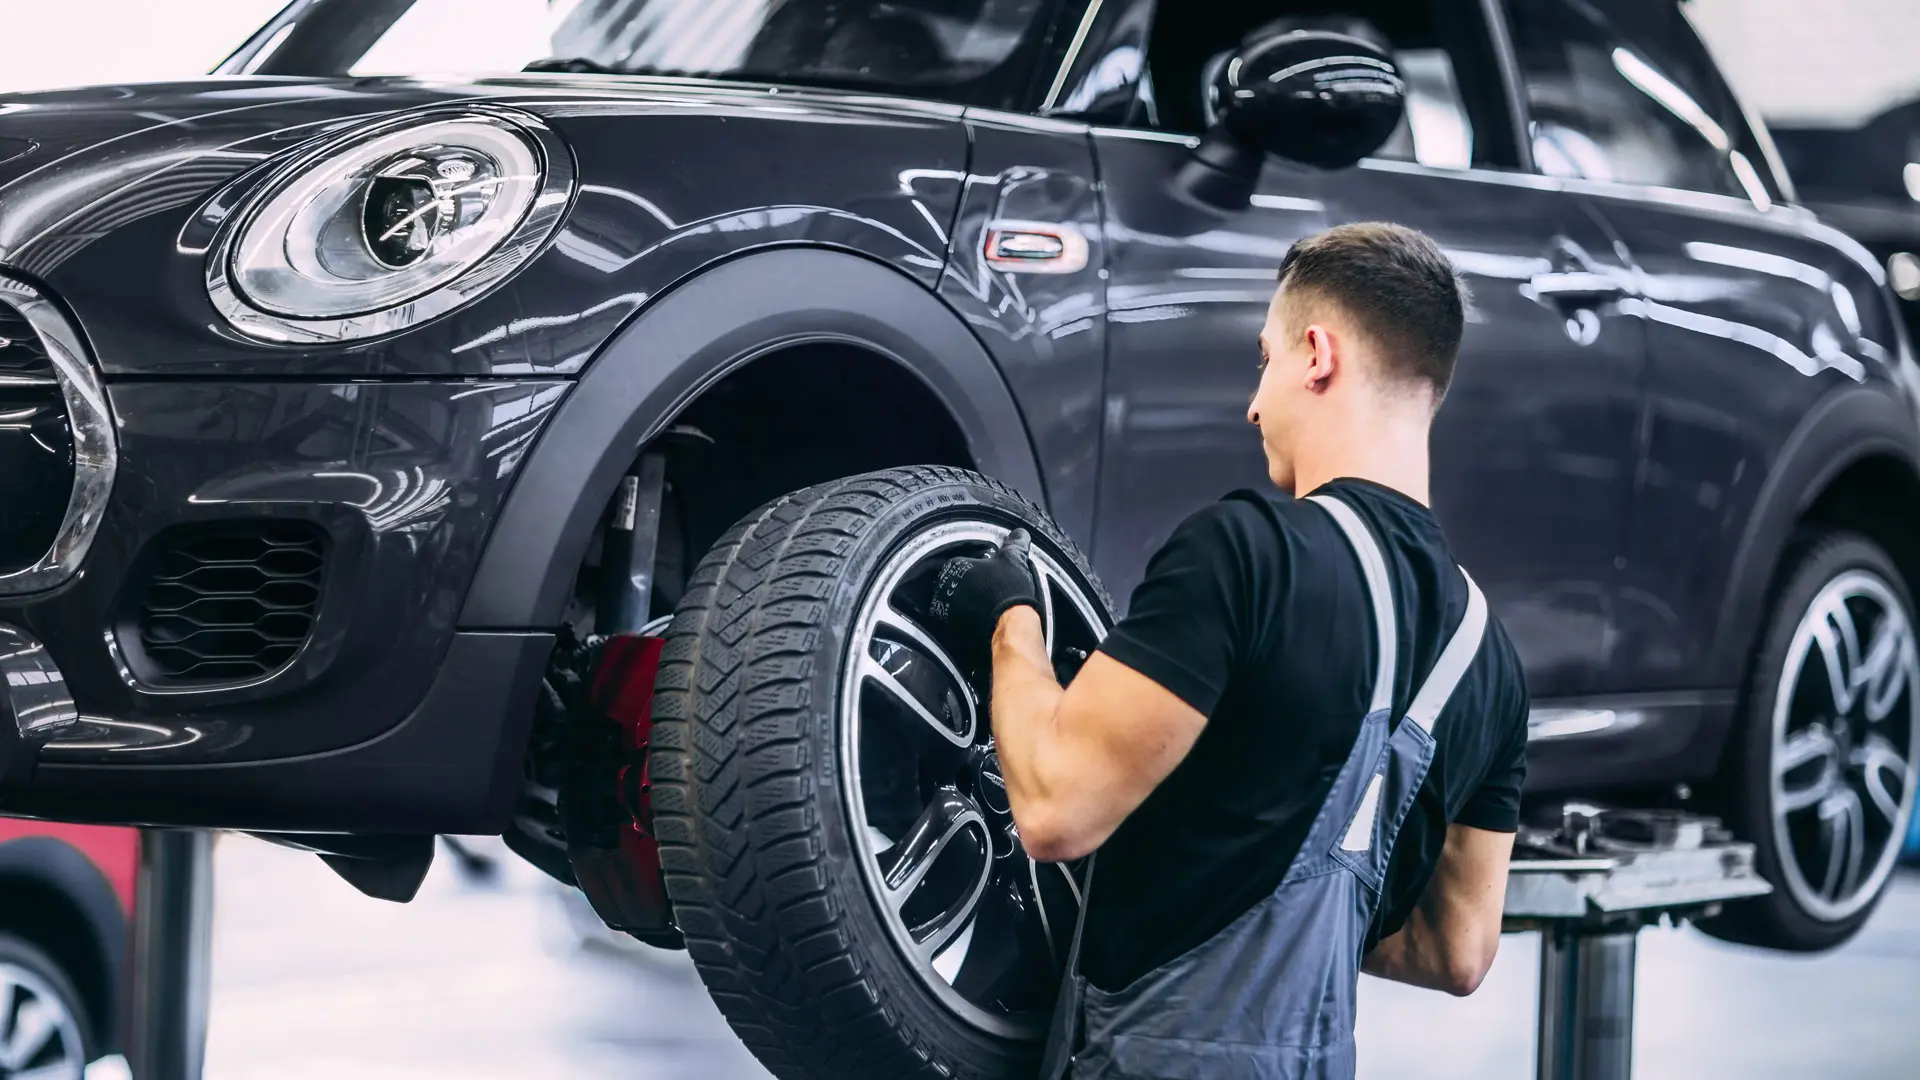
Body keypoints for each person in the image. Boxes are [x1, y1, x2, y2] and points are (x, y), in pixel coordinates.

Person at [924, 222, 1531, 1080]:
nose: (1253, 404)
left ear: (1317, 355)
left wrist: (1009, 621)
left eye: (1265, 361)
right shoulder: (1491, 661)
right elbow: (1455, 951)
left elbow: (1054, 809)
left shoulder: (1249, 554)